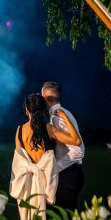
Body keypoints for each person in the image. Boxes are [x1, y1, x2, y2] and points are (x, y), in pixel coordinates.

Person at [10, 93, 80, 220]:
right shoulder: (49, 128)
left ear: (27, 111)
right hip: (46, 184)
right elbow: (76, 140)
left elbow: (19, 162)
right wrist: (65, 117)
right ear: (42, 110)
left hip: (27, 185)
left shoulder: (19, 131)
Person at [41, 81, 85, 212]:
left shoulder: (57, 118)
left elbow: (78, 151)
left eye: (41, 97)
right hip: (70, 173)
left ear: (46, 98)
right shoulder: (62, 114)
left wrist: (56, 168)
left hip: (68, 174)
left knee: (65, 216)